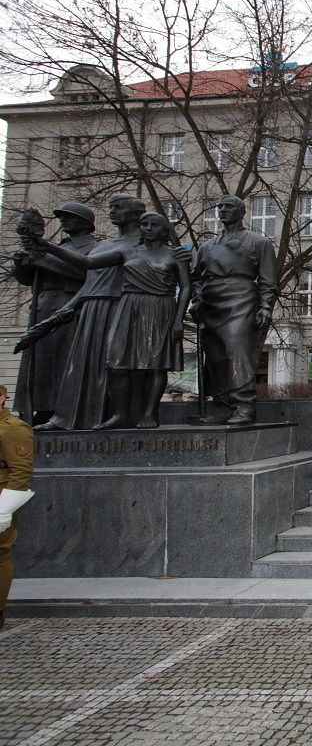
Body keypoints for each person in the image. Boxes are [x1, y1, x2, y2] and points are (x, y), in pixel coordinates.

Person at [33, 211, 190, 429]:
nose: (147, 229)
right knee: (116, 363)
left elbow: (186, 287)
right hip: (129, 307)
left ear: (165, 231)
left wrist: (178, 320)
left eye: (153, 225)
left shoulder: (175, 255)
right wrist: (47, 246)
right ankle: (120, 414)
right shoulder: (127, 251)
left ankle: (149, 413)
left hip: (159, 308)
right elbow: (87, 262)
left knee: (156, 366)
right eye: (144, 224)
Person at [23, 194, 143, 431]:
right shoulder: (104, 245)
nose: (112, 211)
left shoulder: (142, 243)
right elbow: (90, 282)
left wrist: (44, 246)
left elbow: (86, 264)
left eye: (118, 207)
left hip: (120, 306)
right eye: (111, 207)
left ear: (137, 214)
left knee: (113, 366)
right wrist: (65, 311)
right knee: (80, 365)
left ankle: (114, 415)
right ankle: (67, 418)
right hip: (92, 306)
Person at [190, 195, 278, 426]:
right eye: (219, 206)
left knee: (237, 351)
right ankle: (221, 406)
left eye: (228, 206)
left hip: (241, 299)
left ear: (241, 212)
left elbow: (268, 280)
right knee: (216, 356)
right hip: (211, 302)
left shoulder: (258, 242)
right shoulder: (206, 246)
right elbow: (196, 278)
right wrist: (196, 299)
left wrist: (265, 306)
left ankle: (243, 405)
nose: (222, 210)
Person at [11, 202, 98, 424]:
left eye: (69, 217)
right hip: (43, 306)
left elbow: (86, 273)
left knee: (63, 361)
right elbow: (27, 279)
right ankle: (39, 408)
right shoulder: (59, 246)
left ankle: (61, 410)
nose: (63, 221)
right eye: (61, 217)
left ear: (85, 223)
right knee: (40, 363)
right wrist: (21, 263)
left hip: (70, 308)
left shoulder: (94, 247)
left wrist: (43, 259)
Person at [0, 385, 34, 630]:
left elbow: (21, 471)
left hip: (2, 495)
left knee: (0, 553)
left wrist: (5, 508)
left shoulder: (13, 428)